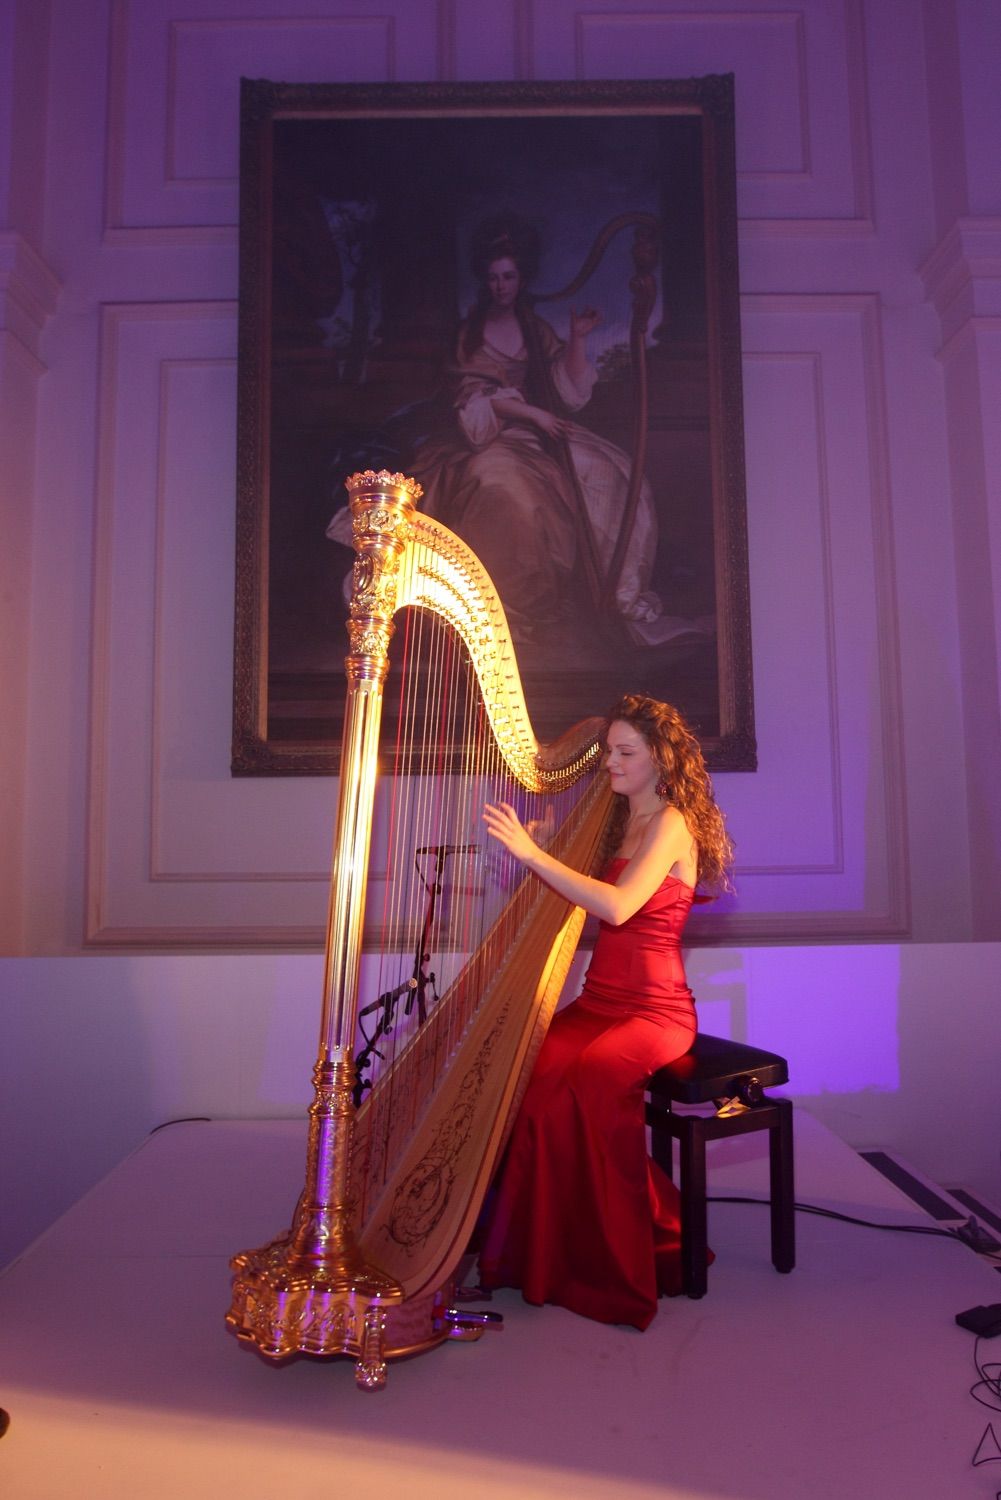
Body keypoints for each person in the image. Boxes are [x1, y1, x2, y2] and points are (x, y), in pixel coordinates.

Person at [476, 693, 734, 1330]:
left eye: (626, 753)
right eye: (609, 751)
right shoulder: (612, 820)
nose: (610, 764)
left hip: (656, 1011)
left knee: (591, 1083)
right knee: (533, 1081)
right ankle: (539, 1256)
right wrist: (545, 854)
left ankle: (635, 1249)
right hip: (600, 1001)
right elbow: (575, 897)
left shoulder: (673, 822)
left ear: (660, 760)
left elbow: (618, 908)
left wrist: (536, 857)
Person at [410, 214, 668, 648]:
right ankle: (506, 607)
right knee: (501, 487)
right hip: (488, 439)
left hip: (535, 439)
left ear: (520, 278)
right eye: (493, 278)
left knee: (617, 474)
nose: (500, 286)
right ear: (484, 281)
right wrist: (532, 415)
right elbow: (471, 407)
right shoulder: (467, 336)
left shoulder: (535, 329)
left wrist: (578, 338)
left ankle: (611, 593)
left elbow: (565, 393)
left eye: (508, 276)